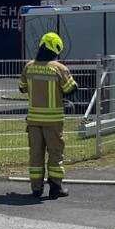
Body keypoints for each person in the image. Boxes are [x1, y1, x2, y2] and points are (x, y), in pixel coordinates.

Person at [19, 32, 78, 199]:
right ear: (57, 49)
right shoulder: (59, 69)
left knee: (35, 154)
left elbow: (22, 88)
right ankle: (55, 188)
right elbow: (71, 90)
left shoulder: (29, 66)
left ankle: (36, 189)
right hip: (53, 121)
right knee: (55, 154)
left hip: (33, 120)